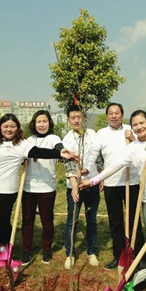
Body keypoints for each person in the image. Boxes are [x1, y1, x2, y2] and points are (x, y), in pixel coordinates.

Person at [81, 110, 146, 288]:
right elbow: (114, 166)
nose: (139, 127)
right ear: (132, 128)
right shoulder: (132, 148)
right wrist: (93, 180)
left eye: (142, 123)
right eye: (135, 125)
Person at [0, 113, 78, 254]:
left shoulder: (22, 143)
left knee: (4, 220)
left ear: (17, 128)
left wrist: (59, 153)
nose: (9, 129)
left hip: (8, 188)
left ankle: (4, 248)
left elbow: (39, 151)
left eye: (13, 126)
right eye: (5, 126)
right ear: (0, 127)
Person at [86, 103, 145, 270]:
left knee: (134, 220)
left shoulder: (131, 129)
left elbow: (142, 147)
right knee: (116, 221)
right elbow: (94, 154)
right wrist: (88, 169)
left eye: (117, 113)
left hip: (131, 182)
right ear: (107, 116)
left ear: (122, 114)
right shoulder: (101, 134)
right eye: (110, 113)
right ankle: (118, 255)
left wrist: (133, 139)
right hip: (111, 183)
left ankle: (137, 254)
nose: (114, 116)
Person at [21, 110, 63, 265]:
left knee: (47, 220)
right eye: (39, 122)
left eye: (44, 121)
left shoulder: (54, 138)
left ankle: (47, 249)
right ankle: (26, 250)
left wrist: (59, 152)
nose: (42, 124)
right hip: (29, 186)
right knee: (27, 220)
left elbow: (59, 150)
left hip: (47, 186)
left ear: (49, 123)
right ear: (34, 123)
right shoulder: (28, 140)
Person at [62, 105, 101, 269]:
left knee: (92, 219)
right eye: (73, 117)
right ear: (69, 120)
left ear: (83, 117)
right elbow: (68, 164)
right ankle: (70, 253)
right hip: (75, 185)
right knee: (73, 220)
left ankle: (91, 251)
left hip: (91, 183)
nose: (77, 120)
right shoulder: (67, 139)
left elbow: (98, 158)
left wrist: (99, 176)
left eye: (79, 116)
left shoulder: (92, 134)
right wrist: (75, 186)